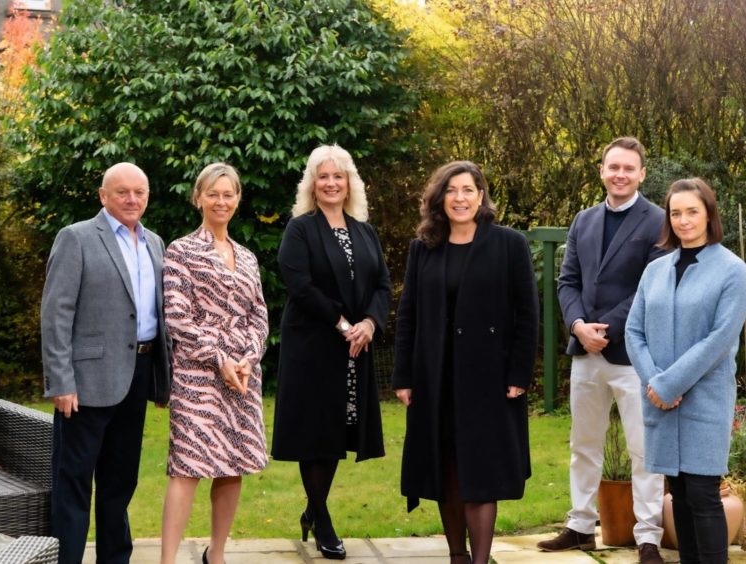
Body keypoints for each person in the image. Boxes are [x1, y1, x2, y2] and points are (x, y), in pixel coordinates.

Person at [393, 161, 539, 564]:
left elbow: (527, 313)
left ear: (481, 196)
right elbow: (408, 315)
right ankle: (457, 555)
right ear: (440, 198)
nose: (460, 198)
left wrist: (519, 373)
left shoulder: (509, 244)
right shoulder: (424, 246)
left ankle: (479, 560)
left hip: (489, 377)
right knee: (447, 468)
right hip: (434, 375)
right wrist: (404, 376)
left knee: (483, 470)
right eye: (452, 190)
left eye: (468, 190)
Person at [537, 137, 667, 564]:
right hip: (585, 353)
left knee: (644, 449)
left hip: (633, 354)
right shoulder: (584, 220)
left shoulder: (657, 222)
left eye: (629, 168)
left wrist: (605, 328)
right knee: (583, 444)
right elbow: (567, 282)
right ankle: (580, 526)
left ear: (642, 174)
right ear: (602, 170)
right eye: (613, 167)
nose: (620, 174)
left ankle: (648, 536)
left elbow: (651, 289)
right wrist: (577, 325)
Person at [41, 162, 171, 564]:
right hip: (85, 383)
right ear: (103, 196)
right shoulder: (76, 238)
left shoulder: (155, 243)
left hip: (138, 374)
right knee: (75, 482)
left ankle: (116, 559)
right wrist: (61, 381)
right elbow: (56, 313)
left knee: (120, 482)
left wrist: (163, 378)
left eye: (140, 192)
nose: (132, 199)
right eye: (122, 192)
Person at [271, 144, 391, 560]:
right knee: (315, 434)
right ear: (312, 184)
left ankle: (312, 507)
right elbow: (300, 285)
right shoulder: (301, 229)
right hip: (314, 344)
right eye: (323, 177)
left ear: (349, 182)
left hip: (355, 347)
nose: (331, 183)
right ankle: (322, 519)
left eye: (338, 176)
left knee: (337, 432)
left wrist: (370, 324)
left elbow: (381, 286)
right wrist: (342, 324)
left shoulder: (364, 230)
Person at [625, 178, 746, 563]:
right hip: (660, 399)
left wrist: (670, 383)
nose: (683, 220)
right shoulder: (655, 271)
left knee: (702, 492)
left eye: (692, 211)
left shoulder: (732, 270)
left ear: (709, 213)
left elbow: (720, 339)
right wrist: (655, 382)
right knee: (677, 491)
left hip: (704, 399)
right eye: (675, 213)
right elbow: (634, 330)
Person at [159, 163, 269, 564]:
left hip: (243, 373)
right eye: (213, 194)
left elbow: (259, 315)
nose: (221, 201)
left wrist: (247, 359)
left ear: (237, 199)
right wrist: (219, 358)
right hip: (197, 374)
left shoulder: (248, 257)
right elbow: (177, 317)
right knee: (187, 467)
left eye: (228, 194)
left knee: (232, 465)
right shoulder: (181, 250)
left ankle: (216, 554)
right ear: (198, 198)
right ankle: (167, 560)